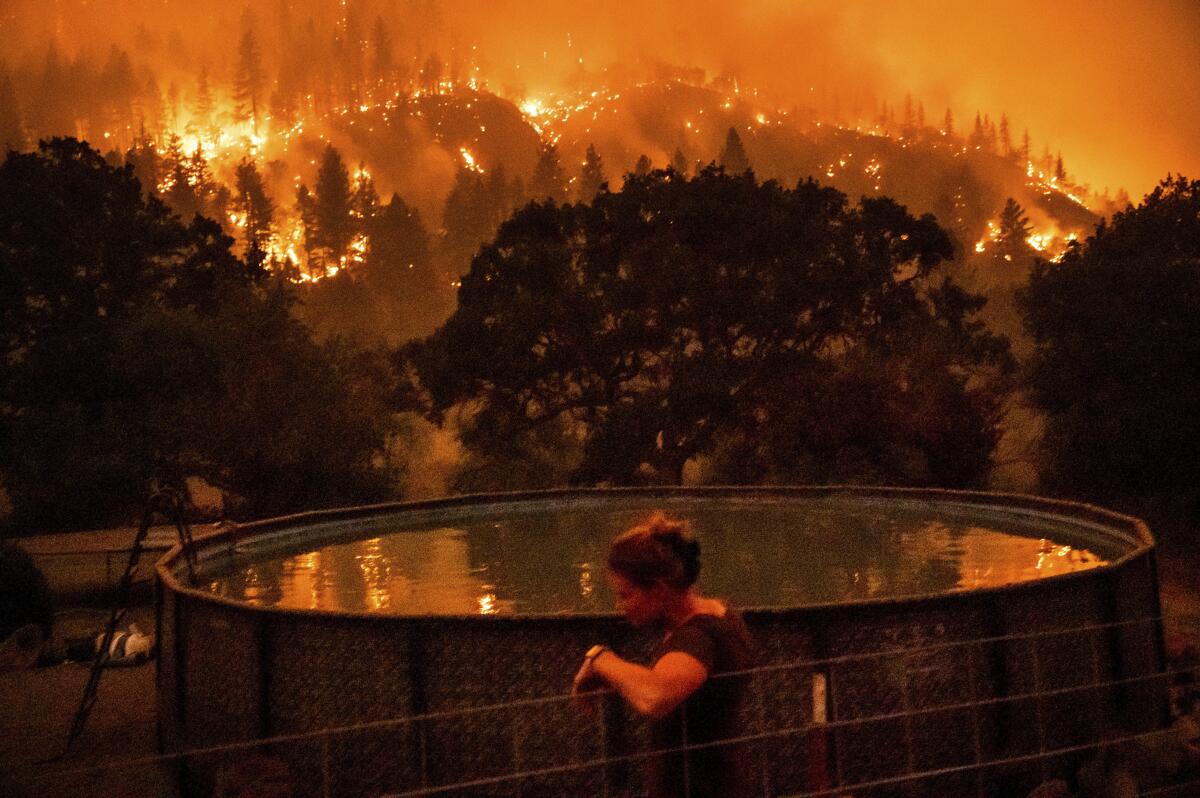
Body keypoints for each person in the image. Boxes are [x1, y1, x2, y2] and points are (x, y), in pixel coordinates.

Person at [572, 513, 756, 798]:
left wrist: (600, 658)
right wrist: (621, 679)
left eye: (625, 594)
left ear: (657, 590)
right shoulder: (722, 613)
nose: (620, 606)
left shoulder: (697, 636)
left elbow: (655, 696)